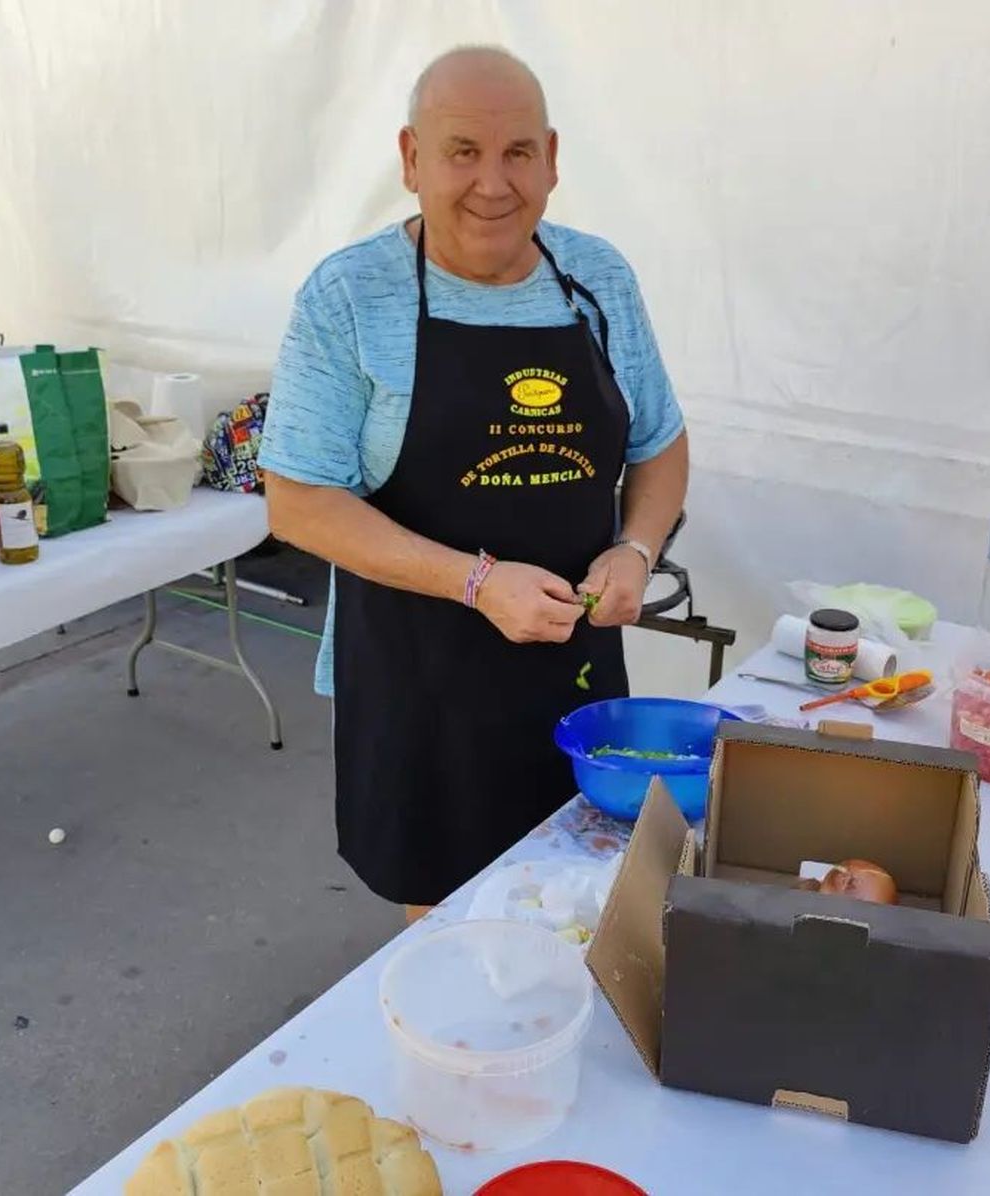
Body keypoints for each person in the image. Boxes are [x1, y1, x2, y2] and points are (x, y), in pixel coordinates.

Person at [261, 46, 688, 919]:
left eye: (518, 153)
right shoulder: (351, 295)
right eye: (463, 152)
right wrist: (477, 581)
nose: (493, 184)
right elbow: (299, 498)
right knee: (453, 938)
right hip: (420, 684)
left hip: (575, 669)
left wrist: (637, 549)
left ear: (553, 159)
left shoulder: (597, 279)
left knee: (587, 908)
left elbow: (661, 445)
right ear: (412, 158)